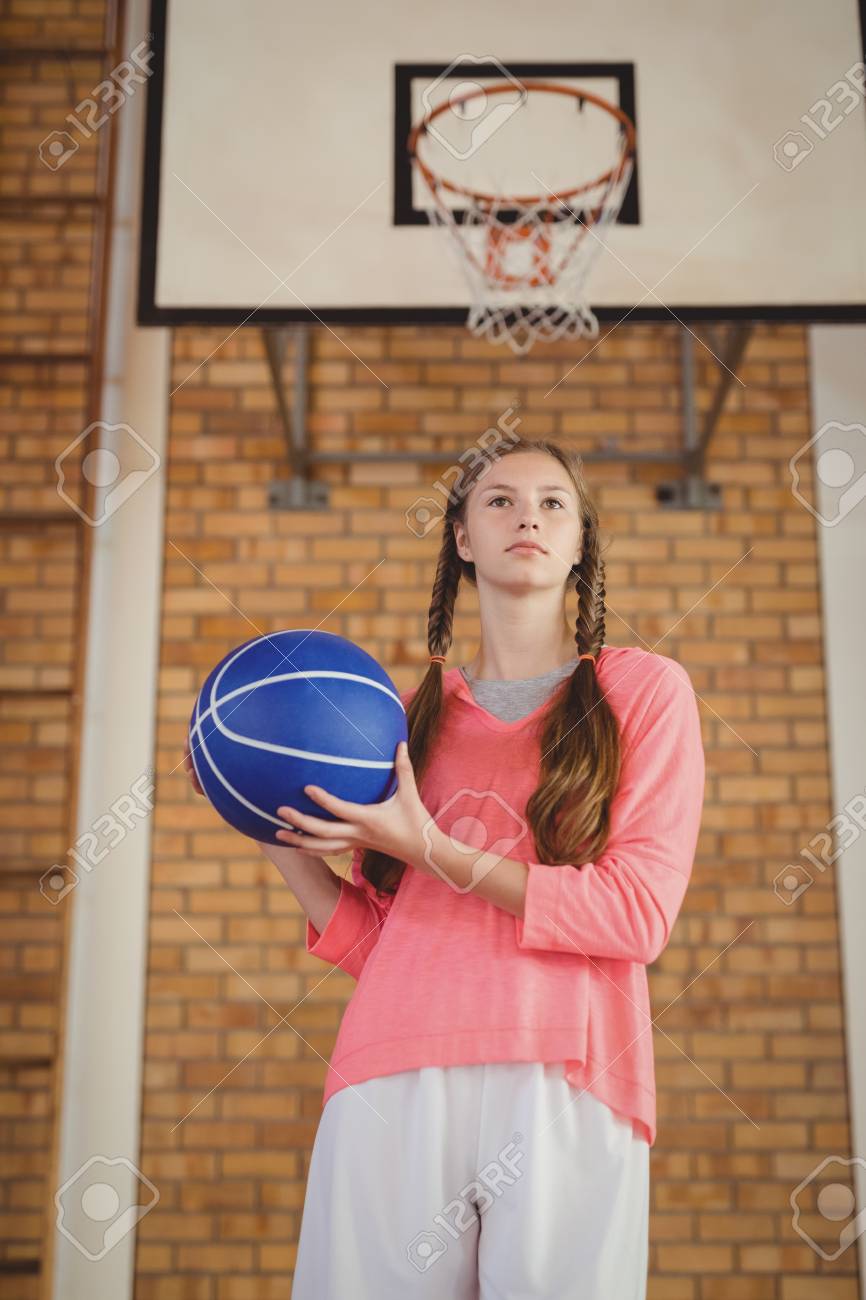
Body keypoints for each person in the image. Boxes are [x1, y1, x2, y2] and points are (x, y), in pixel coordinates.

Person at [184, 436, 706, 1299]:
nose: (527, 516)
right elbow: (379, 947)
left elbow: (634, 916)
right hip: (390, 1068)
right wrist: (266, 819)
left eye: (553, 503)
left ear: (581, 544)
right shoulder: (396, 720)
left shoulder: (642, 691)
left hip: (565, 1075)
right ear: (461, 537)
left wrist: (432, 848)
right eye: (498, 500)